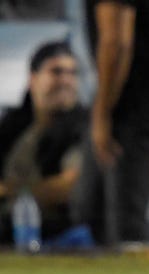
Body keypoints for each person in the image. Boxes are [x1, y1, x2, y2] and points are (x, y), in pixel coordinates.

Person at [73, 0, 149, 245]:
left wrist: (101, 114)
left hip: (129, 111)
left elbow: (116, 43)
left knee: (124, 229)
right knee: (91, 214)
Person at [0, 41, 89, 245]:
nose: (66, 80)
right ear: (33, 78)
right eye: (56, 72)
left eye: (72, 73)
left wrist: (10, 190)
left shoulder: (85, 126)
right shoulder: (13, 125)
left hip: (62, 234)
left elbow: (70, 187)